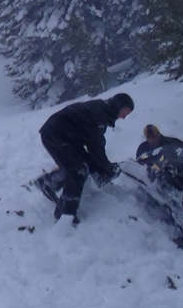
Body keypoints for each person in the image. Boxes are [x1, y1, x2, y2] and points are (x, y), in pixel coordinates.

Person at [34, 93, 134, 224]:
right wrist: (107, 167)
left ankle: (49, 182)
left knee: (83, 165)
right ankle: (65, 215)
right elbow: (95, 146)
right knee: (77, 171)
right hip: (56, 135)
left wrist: (103, 168)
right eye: (125, 112)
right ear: (119, 106)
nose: (124, 117)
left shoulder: (101, 111)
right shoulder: (100, 115)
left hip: (66, 136)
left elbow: (94, 147)